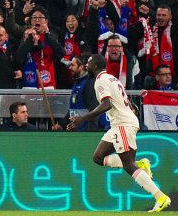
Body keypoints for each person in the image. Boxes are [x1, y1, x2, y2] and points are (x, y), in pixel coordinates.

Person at [67, 54, 171, 213]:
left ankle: (160, 197)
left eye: (88, 63)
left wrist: (83, 119)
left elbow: (106, 104)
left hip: (123, 124)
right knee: (98, 157)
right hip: (118, 124)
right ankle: (140, 164)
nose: (86, 66)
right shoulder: (111, 78)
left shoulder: (101, 80)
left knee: (129, 165)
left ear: (95, 65)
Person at [52, 54, 108, 131]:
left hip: (86, 131)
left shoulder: (89, 83)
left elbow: (94, 109)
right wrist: (61, 124)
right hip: (77, 130)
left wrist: (91, 131)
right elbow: (74, 110)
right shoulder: (77, 82)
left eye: (72, 65)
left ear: (81, 67)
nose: (70, 67)